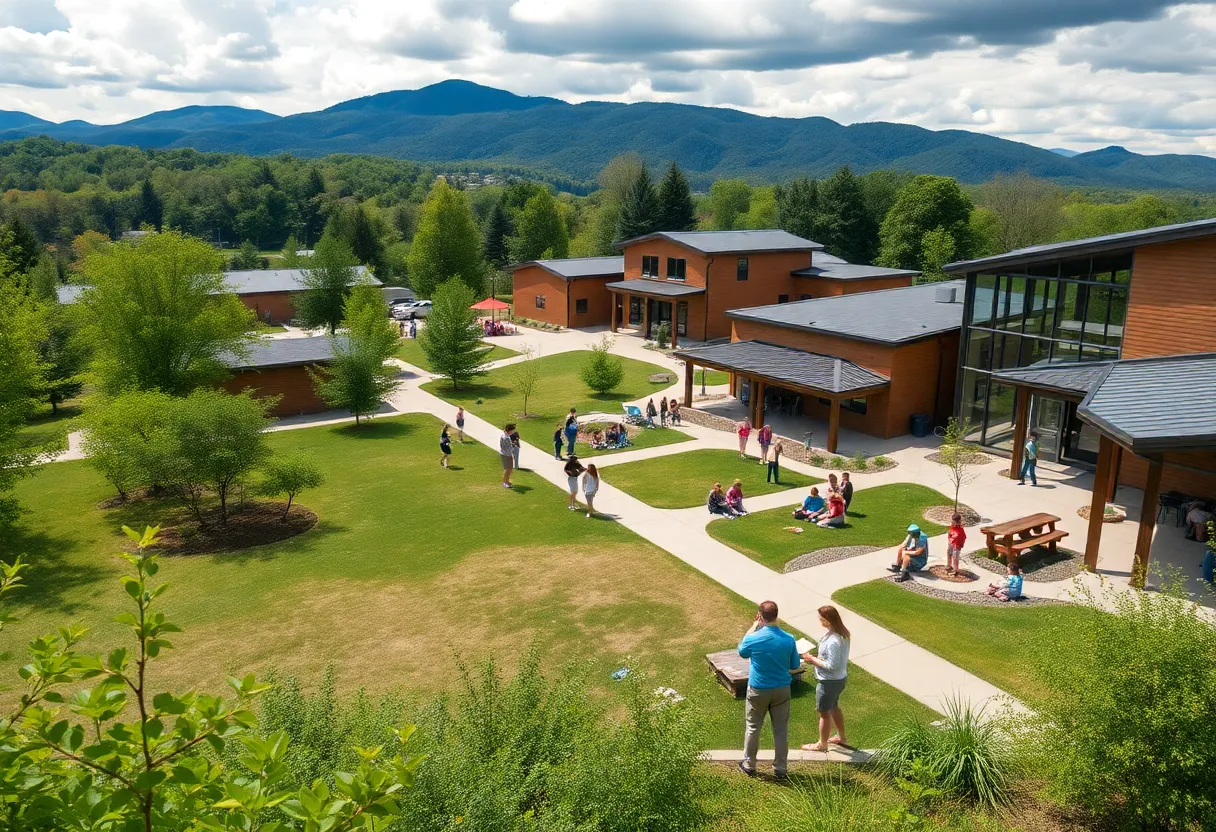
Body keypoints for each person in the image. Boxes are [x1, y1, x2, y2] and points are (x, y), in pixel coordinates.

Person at [737, 600, 801, 780]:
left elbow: (742, 651)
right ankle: (780, 769)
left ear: (760, 616)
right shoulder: (788, 638)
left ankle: (749, 764)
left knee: (753, 726)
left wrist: (752, 627)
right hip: (781, 689)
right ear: (777, 615)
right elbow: (795, 664)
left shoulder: (753, 637)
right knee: (780, 729)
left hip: (758, 689)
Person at [800, 605, 850, 753]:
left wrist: (812, 659)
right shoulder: (841, 634)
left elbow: (832, 665)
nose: (819, 621)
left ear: (829, 620)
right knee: (834, 707)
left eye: (821, 619)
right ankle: (842, 738)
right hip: (839, 679)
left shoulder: (834, 640)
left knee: (824, 713)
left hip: (829, 682)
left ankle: (822, 744)